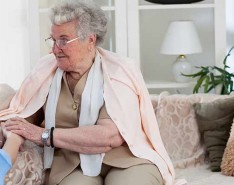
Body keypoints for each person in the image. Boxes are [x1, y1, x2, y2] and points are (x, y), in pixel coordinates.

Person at [0, 1, 186, 185]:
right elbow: (22, 113)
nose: (55, 49)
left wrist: (44, 135)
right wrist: (13, 138)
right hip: (71, 164)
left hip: (127, 160)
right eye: (53, 40)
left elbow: (109, 136)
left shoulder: (118, 72)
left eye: (63, 40)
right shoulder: (45, 70)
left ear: (90, 40)